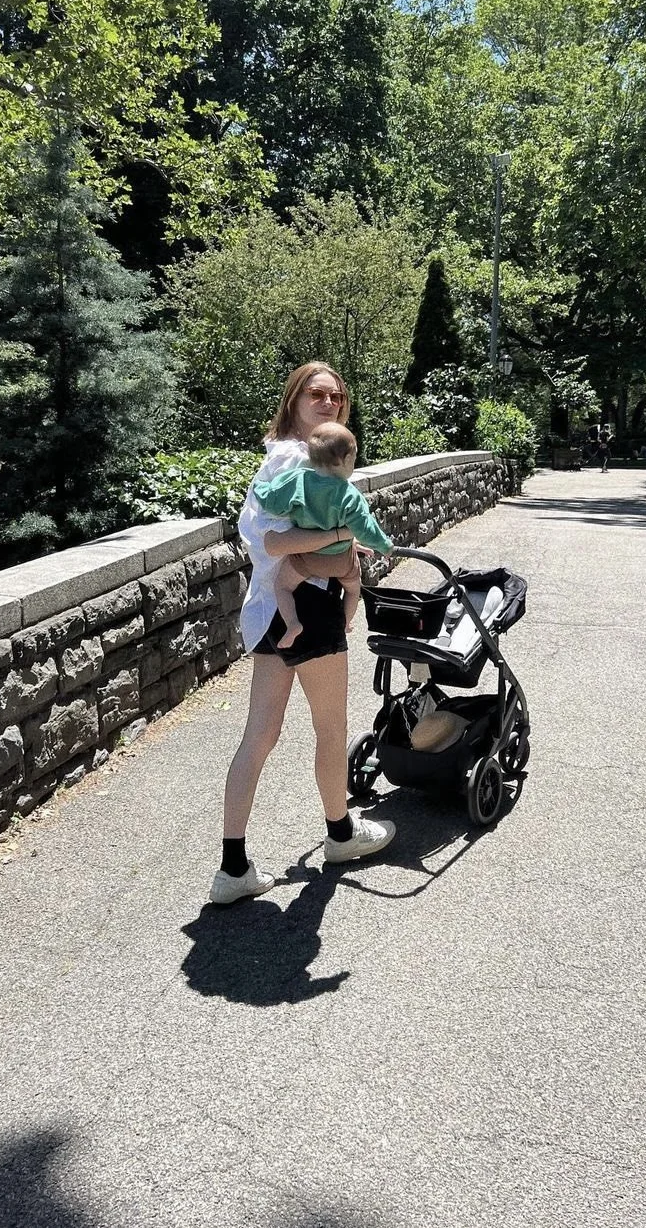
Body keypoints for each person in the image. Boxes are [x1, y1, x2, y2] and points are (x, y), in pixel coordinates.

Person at [209, 363, 396, 906]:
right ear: (293, 398)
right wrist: (343, 535)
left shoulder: (280, 456)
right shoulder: (301, 459)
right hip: (309, 607)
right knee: (330, 727)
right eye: (317, 393)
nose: (330, 401)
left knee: (260, 735)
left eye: (337, 395)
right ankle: (340, 835)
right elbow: (269, 542)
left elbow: (268, 540)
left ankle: (233, 865)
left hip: (271, 609)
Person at [251, 420, 393, 648]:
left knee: (282, 587)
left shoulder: (298, 482)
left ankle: (293, 624)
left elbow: (273, 501)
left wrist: (260, 487)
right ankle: (345, 623)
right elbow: (366, 527)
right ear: (347, 460)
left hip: (307, 558)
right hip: (341, 561)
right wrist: (385, 546)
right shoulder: (349, 494)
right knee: (353, 588)